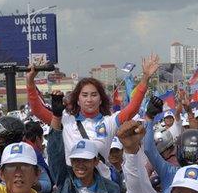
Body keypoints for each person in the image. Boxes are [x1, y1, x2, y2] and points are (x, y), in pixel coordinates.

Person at [27, 54, 159, 167]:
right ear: (77, 100)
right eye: (84, 95)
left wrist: (145, 78)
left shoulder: (109, 122)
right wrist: (30, 82)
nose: (89, 99)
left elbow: (132, 109)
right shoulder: (66, 120)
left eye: (94, 95)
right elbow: (38, 110)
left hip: (103, 189)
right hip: (73, 190)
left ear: (101, 99)